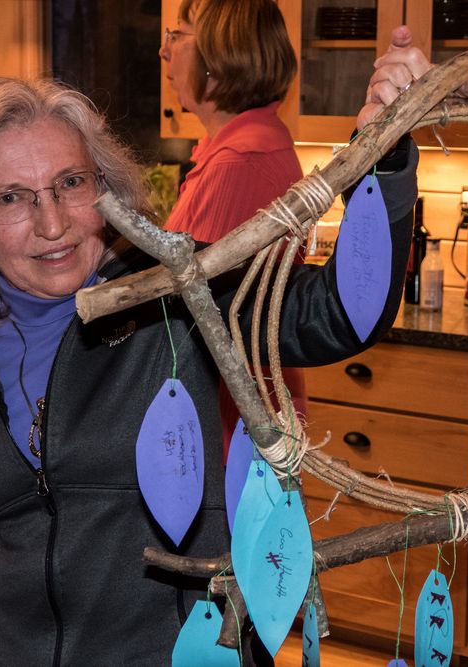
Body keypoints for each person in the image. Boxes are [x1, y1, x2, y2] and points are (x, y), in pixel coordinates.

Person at [0, 33, 430, 661]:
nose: (52, 223)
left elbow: (339, 314)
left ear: (105, 188)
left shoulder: (177, 290)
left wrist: (384, 159)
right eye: (12, 198)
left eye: (70, 183)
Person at [160, 0, 306, 451]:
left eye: (177, 36)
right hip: (240, 411)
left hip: (229, 426)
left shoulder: (240, 163)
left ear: (218, 61)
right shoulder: (232, 147)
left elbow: (191, 311)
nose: (164, 52)